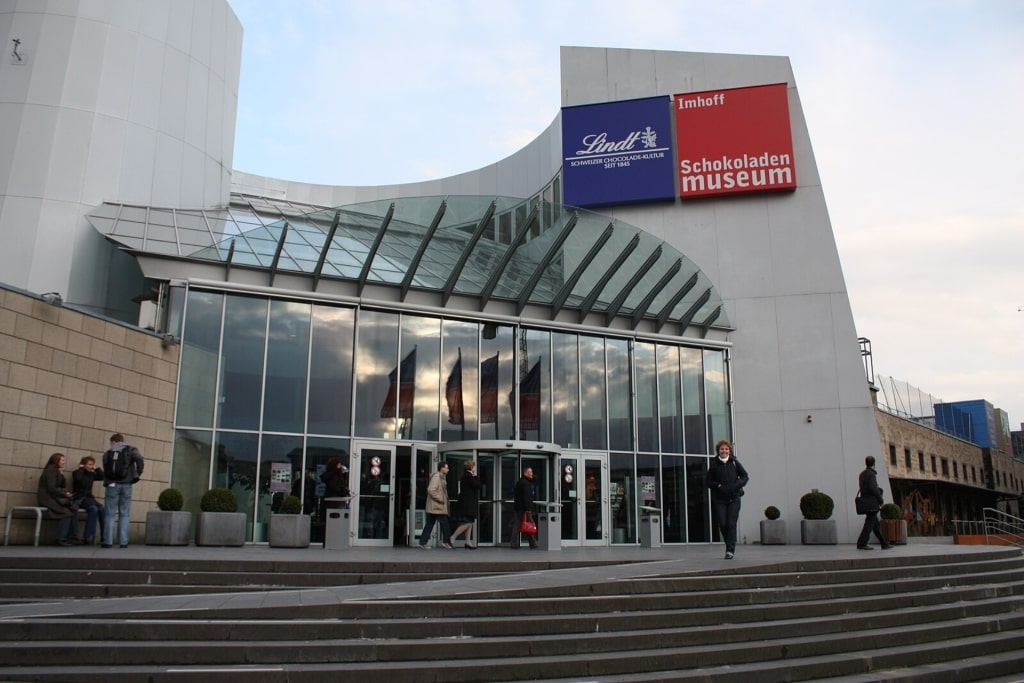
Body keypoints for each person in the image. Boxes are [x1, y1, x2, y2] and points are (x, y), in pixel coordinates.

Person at [705, 440, 749, 560]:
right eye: (722, 449)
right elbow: (708, 481)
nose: (724, 451)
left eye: (726, 449)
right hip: (720, 499)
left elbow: (745, 476)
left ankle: (730, 550)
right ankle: (729, 543)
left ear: (729, 451)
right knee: (723, 524)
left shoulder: (734, 462)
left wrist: (738, 484)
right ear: (718, 451)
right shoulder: (714, 464)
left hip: (734, 498)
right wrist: (718, 486)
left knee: (731, 524)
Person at [102, 433, 144, 549]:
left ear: (113, 441)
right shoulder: (130, 450)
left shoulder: (107, 453)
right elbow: (139, 458)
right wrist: (137, 474)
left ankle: (107, 541)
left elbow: (106, 471)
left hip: (111, 485)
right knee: (124, 514)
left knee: (109, 514)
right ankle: (123, 542)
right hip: (126, 484)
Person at [37, 453, 80, 546]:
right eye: (62, 460)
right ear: (56, 461)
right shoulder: (50, 471)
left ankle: (72, 535)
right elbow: (51, 488)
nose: (64, 462)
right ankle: (61, 538)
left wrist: (61, 476)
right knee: (66, 513)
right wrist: (64, 493)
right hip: (48, 498)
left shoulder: (56, 471)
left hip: (55, 497)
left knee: (74, 508)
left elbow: (62, 486)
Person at [857, 455, 893, 550]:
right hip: (872, 502)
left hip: (865, 501)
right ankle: (861, 543)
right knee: (869, 524)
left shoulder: (862, 474)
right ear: (874, 464)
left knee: (875, 525)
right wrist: (880, 500)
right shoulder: (871, 474)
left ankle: (884, 544)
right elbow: (873, 488)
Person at [418, 462, 453, 549]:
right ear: (442, 468)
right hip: (437, 506)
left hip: (435, 506)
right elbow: (431, 490)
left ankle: (423, 542)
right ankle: (446, 541)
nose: (448, 469)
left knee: (430, 523)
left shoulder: (440, 477)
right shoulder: (437, 477)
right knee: (445, 523)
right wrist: (440, 499)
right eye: (446, 468)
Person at [72, 455, 105, 545]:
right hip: (80, 497)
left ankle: (104, 535)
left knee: (102, 509)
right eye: (89, 464)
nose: (91, 467)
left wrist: (96, 468)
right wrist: (81, 468)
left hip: (89, 498)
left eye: (92, 465)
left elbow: (102, 477)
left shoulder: (91, 475)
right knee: (93, 509)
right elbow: (78, 479)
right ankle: (88, 535)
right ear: (84, 464)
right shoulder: (77, 472)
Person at [450, 461, 480, 549]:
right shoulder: (468, 476)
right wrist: (475, 476)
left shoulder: (466, 476)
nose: (475, 468)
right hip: (468, 503)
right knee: (468, 522)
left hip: (466, 502)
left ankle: (467, 542)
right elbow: (477, 485)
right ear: (471, 467)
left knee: (469, 522)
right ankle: (453, 537)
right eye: (474, 466)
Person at [512, 466, 538, 549]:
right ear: (525, 473)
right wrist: (528, 509)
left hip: (518, 507)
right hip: (524, 508)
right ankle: (533, 543)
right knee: (529, 525)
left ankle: (514, 543)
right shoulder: (526, 483)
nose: (532, 474)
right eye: (530, 472)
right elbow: (526, 497)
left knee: (518, 525)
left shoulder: (520, 482)